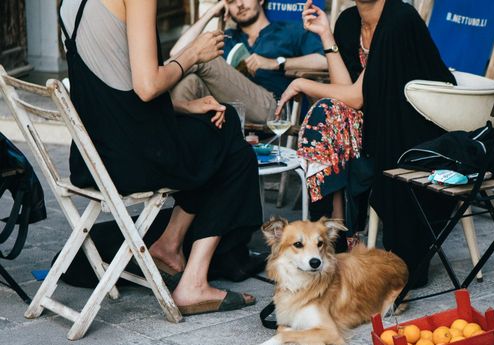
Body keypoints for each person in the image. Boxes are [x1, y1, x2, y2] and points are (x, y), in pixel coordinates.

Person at [59, 0, 263, 314]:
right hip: (130, 160)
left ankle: (170, 245)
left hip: (92, 156)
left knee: (212, 137)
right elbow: (146, 86)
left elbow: (113, 84)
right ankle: (191, 279)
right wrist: (193, 54)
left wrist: (184, 106)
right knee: (229, 135)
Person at [278, 0, 457, 281]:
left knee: (326, 113)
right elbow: (346, 91)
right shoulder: (349, 21)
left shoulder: (399, 19)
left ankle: (335, 235)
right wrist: (326, 36)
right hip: (371, 122)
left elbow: (357, 97)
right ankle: (336, 234)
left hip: (412, 126)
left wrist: (301, 83)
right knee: (328, 113)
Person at [170, 0, 327, 124]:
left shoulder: (289, 30)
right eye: (231, 1)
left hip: (273, 108)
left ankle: (154, 82)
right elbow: (176, 53)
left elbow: (324, 61)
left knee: (203, 58)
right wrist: (211, 12)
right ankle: (174, 156)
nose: (239, 4)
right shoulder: (226, 37)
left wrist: (276, 62)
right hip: (228, 109)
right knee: (190, 82)